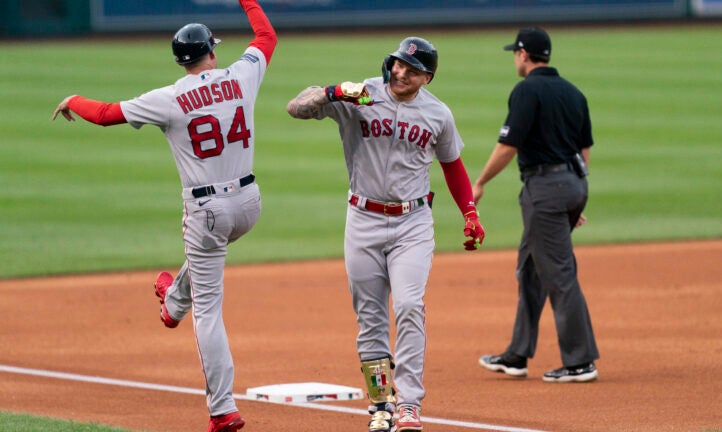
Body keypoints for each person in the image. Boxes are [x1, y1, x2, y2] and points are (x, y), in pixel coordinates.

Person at [51, 1, 276, 430]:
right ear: (212, 50)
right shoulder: (242, 75)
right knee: (205, 260)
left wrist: (72, 99)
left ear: (180, 60)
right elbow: (266, 37)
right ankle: (173, 300)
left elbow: (104, 115)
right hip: (249, 204)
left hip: (206, 211)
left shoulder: (169, 98)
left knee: (209, 307)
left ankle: (223, 409)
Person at [286, 37, 485, 431]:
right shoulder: (362, 95)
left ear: (426, 77)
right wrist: (334, 92)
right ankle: (380, 405)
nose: (399, 73)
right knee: (371, 317)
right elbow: (295, 107)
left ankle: (409, 404)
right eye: (397, 64)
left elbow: (452, 165)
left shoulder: (437, 114)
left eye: (411, 70)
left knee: (410, 305)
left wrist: (470, 212)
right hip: (362, 220)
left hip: (413, 223)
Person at [473, 27, 599, 383]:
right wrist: (574, 195)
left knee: (560, 275)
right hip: (571, 184)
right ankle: (517, 354)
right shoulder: (573, 92)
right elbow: (584, 147)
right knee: (530, 270)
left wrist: (480, 182)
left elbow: (508, 145)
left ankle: (580, 361)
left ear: (525, 55)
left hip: (545, 189)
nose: (515, 57)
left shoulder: (527, 90)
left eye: (516, 52)